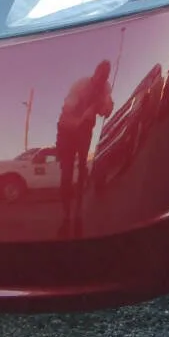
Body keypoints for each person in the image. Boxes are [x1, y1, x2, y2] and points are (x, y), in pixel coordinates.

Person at [55, 59, 114, 237]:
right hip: (67, 129)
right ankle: (66, 216)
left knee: (82, 169)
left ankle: (78, 212)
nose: (100, 82)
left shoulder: (105, 88)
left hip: (85, 130)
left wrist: (107, 107)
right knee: (66, 170)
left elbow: (105, 110)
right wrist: (83, 117)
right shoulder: (79, 86)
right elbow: (65, 116)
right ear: (94, 74)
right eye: (99, 77)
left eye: (104, 79)